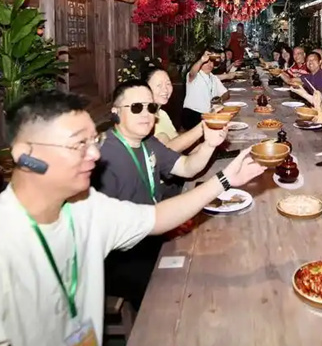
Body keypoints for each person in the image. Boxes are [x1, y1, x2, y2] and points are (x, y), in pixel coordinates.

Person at [0, 89, 265, 346]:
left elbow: (157, 217)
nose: (94, 155)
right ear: (25, 155)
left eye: (93, 141)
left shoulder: (84, 209)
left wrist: (226, 179)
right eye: (78, 144)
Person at [95, 79, 228, 308]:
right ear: (115, 112)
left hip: (154, 232)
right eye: (136, 107)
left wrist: (209, 144)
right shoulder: (103, 156)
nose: (146, 114)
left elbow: (186, 167)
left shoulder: (148, 142)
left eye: (151, 107)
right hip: (123, 256)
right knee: (190, 284)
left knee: (219, 248)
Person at [145, 67, 204, 152]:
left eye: (168, 84)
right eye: (159, 85)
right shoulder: (143, 117)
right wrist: (204, 126)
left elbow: (176, 140)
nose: (165, 89)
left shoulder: (162, 114)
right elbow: (168, 150)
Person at [182, 50, 232, 129]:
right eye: (206, 62)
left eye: (211, 62)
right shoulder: (194, 76)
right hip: (193, 115)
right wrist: (201, 60)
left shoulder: (213, 77)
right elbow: (192, 72)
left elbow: (226, 94)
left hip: (208, 115)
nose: (209, 64)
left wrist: (220, 99)